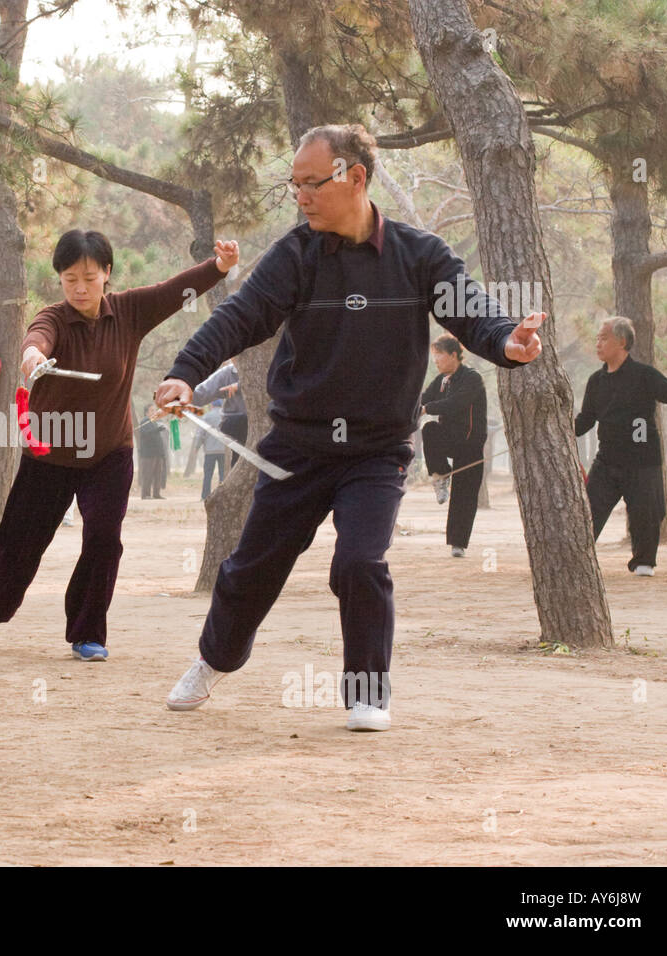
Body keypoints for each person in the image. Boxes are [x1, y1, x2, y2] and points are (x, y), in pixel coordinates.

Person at [155, 124, 544, 730]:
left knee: (360, 563)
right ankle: (213, 661)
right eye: (295, 187)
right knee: (252, 567)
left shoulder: (420, 257)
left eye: (312, 184)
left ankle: (368, 691)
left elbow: (475, 315)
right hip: (297, 447)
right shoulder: (295, 255)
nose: (302, 197)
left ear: (355, 178)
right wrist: (185, 372)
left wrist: (508, 344)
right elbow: (240, 317)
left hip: (376, 450)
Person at [0, 229, 239, 661]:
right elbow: (37, 339)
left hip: (109, 452)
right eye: (70, 278)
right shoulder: (52, 318)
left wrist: (218, 267)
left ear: (107, 274)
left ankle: (87, 633)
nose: (80, 287)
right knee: (21, 542)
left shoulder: (129, 311)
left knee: (104, 539)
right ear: (60, 279)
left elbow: (172, 292)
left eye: (89, 277)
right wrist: (33, 358)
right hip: (50, 451)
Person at [575, 317, 667, 576]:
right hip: (606, 461)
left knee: (646, 514)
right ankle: (578, 560)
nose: (598, 343)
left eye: (604, 338)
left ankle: (643, 562)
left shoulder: (644, 375)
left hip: (642, 461)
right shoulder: (596, 381)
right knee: (588, 512)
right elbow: (585, 420)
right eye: (597, 338)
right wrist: (561, 432)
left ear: (622, 342)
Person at [420, 334, 487, 557]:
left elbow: (455, 404)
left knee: (464, 496)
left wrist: (427, 409)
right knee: (429, 430)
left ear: (454, 355)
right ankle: (440, 475)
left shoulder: (472, 378)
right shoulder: (440, 380)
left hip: (470, 444)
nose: (436, 360)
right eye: (434, 356)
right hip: (449, 439)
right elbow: (422, 400)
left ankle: (457, 544)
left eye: (439, 355)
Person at [192, 360, 248, 466]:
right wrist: (177, 396)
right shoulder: (227, 373)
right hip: (235, 423)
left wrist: (239, 386)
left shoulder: (262, 366)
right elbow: (203, 393)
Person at [137, 401, 169, 499]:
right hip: (148, 455)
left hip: (157, 453)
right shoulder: (144, 422)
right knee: (147, 475)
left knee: (157, 475)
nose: (154, 412)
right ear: (146, 413)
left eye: (155, 410)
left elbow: (158, 438)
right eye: (152, 410)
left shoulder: (154, 422)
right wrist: (159, 429)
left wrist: (162, 453)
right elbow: (147, 434)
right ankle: (145, 494)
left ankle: (156, 494)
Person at [199, 400, 228, 498]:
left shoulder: (206, 417)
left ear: (211, 405)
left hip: (210, 451)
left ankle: (205, 495)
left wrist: (197, 446)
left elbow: (201, 434)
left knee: (208, 474)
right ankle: (223, 495)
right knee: (223, 474)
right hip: (224, 450)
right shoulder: (226, 415)